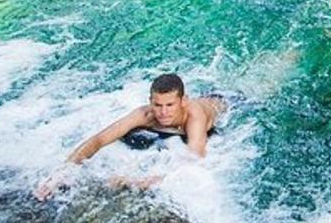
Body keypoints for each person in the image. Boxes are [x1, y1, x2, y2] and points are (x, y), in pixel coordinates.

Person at [33, 73, 226, 200]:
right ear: (150, 101)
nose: (163, 112)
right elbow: (99, 139)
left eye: (170, 105)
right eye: (158, 105)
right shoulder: (145, 114)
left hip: (225, 104)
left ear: (183, 101)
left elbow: (194, 161)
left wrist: (139, 182)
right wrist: (61, 173)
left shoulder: (195, 117)